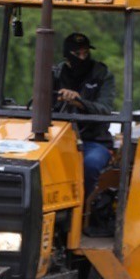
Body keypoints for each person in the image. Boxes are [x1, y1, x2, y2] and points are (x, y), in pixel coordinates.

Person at [52, 32, 116, 194]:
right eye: (78, 54)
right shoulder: (55, 74)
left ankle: (81, 210)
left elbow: (105, 109)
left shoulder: (102, 74)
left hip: (94, 141)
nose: (83, 58)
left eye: (86, 53)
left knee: (91, 164)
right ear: (67, 56)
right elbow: (43, 103)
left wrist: (80, 102)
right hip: (58, 139)